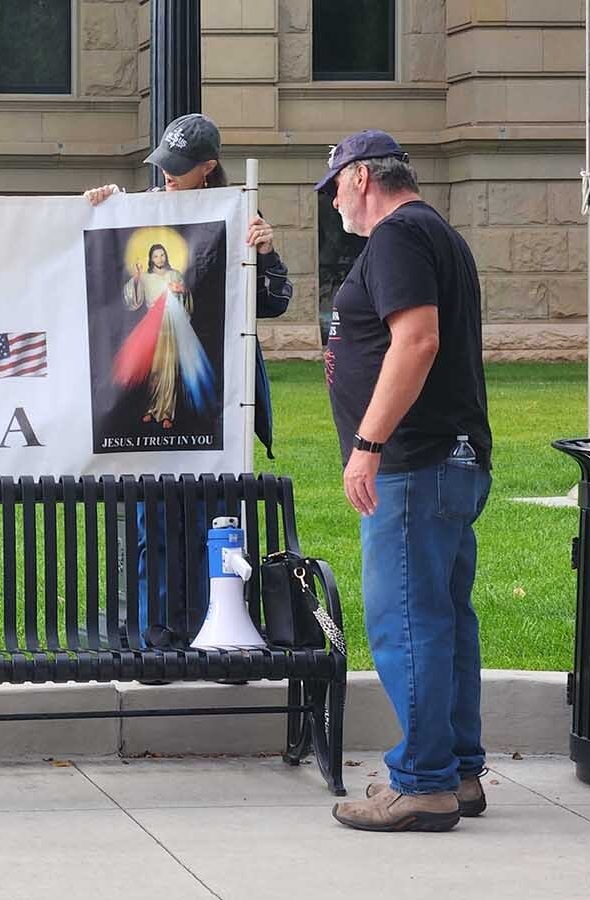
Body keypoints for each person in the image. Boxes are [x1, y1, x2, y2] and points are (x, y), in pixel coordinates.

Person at [318, 131, 492, 833]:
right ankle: (459, 771)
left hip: (414, 464)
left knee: (409, 625)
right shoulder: (439, 235)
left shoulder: (396, 237)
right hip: (449, 458)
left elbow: (417, 339)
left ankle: (422, 783)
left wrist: (368, 443)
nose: (333, 201)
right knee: (446, 621)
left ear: (362, 177)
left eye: (334, 185)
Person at [86, 113, 293, 646]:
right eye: (163, 167)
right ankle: (157, 631)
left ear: (209, 169)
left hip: (213, 398)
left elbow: (271, 302)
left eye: (178, 169)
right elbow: (113, 284)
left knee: (214, 516)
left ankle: (216, 627)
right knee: (152, 519)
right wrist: (106, 204)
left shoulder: (238, 214)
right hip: (145, 393)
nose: (167, 177)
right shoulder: (141, 211)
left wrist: (265, 253)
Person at [114, 242, 216, 429]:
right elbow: (132, 299)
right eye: (155, 256)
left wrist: (181, 291)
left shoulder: (174, 275)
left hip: (172, 325)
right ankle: (151, 409)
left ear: (166, 256)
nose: (159, 259)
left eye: (162, 255)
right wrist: (137, 276)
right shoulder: (145, 277)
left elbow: (186, 299)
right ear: (150, 259)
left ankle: (167, 413)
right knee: (154, 369)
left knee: (170, 369)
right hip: (153, 327)